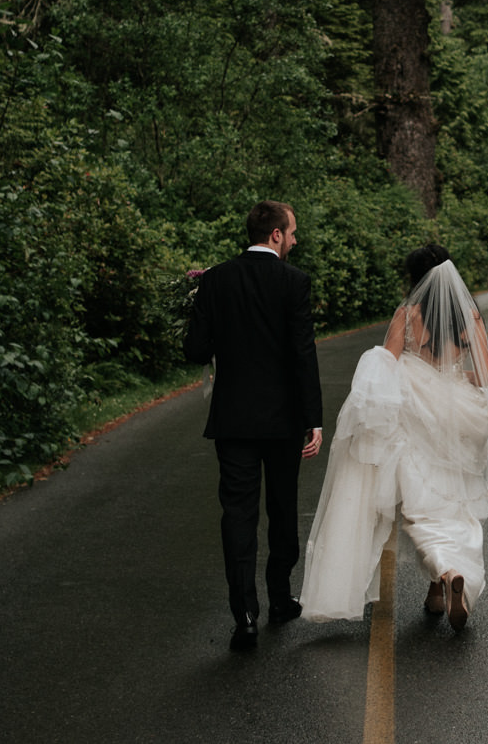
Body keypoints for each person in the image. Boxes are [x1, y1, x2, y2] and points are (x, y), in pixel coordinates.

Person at [298, 245, 488, 631]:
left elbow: (387, 364)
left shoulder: (408, 314)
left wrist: (367, 405)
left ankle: (446, 571)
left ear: (416, 279)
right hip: (459, 415)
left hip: (414, 413)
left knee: (419, 506)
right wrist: (452, 383)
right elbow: (484, 373)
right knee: (453, 503)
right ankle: (442, 583)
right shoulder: (469, 314)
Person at [184, 200, 324, 652]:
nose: (296, 240)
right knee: (282, 510)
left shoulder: (215, 280)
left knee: (238, 515)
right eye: (293, 231)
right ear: (276, 235)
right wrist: (313, 420)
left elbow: (194, 348)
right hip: (283, 421)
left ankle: (244, 616)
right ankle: (281, 600)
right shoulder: (294, 283)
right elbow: (304, 354)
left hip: (233, 419)